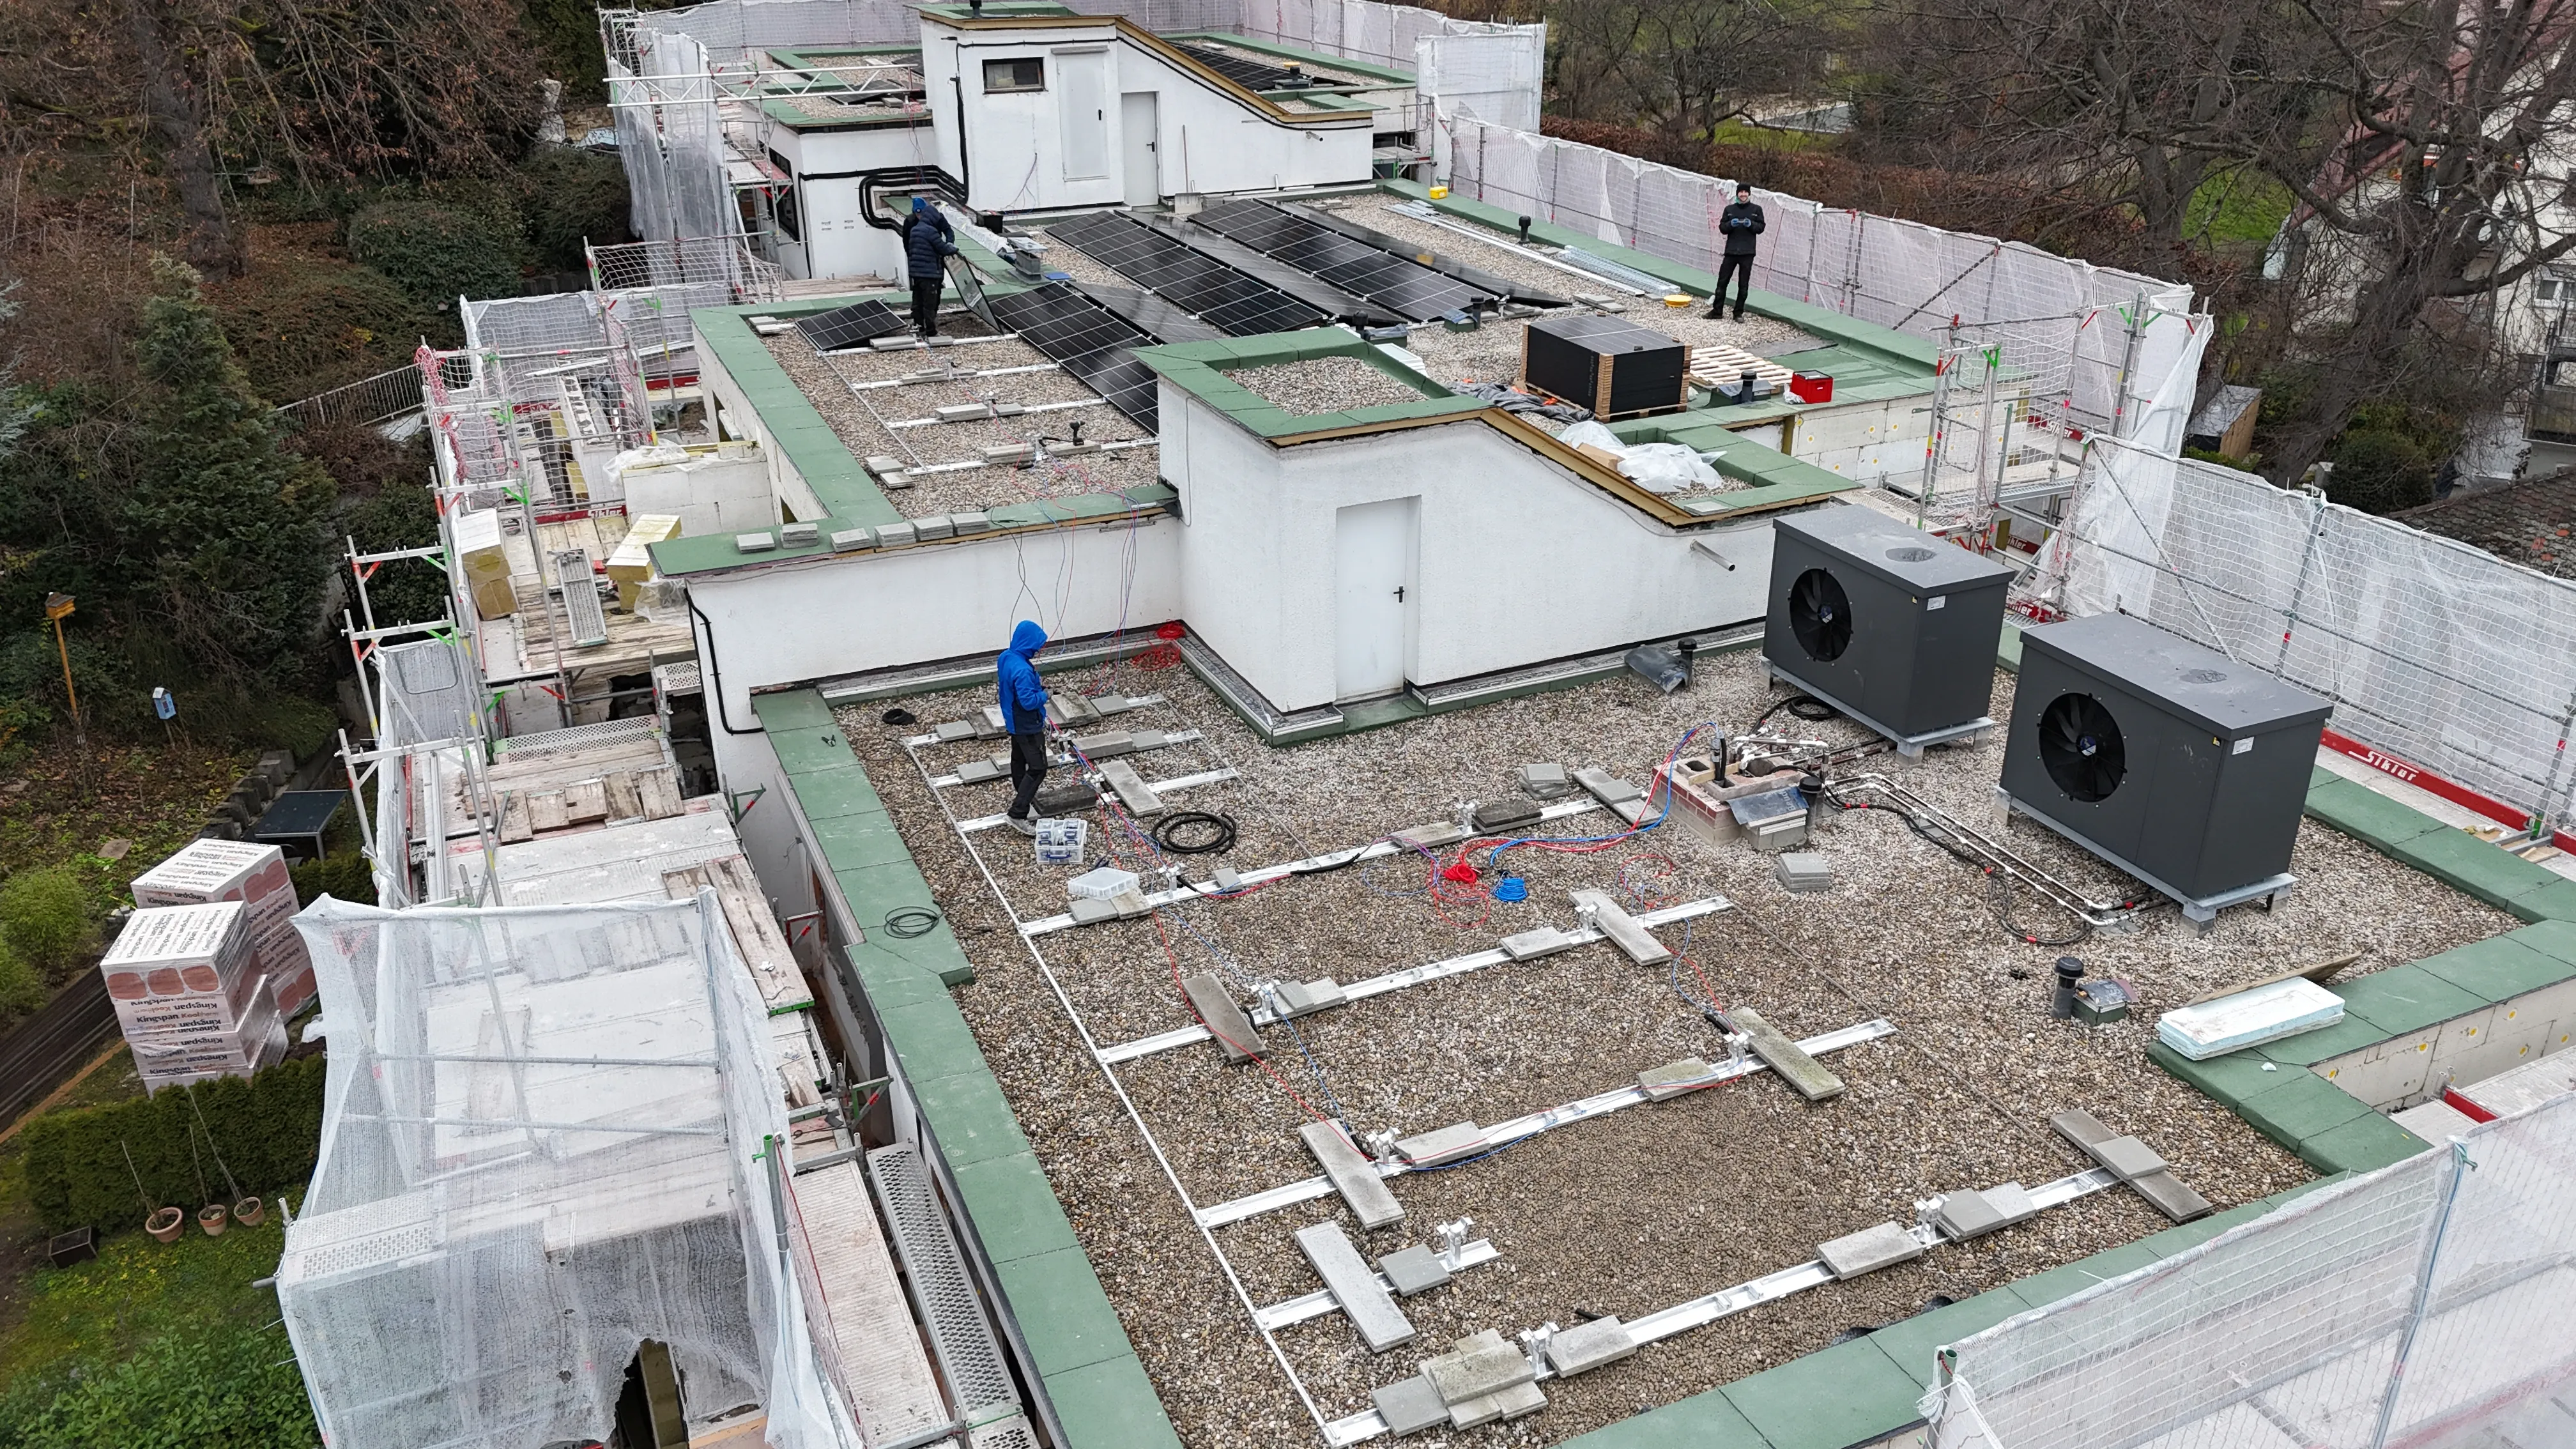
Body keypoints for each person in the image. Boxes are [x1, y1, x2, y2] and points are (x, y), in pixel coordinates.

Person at [997, 619, 1051, 834]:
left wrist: (1035, 688)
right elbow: (1028, 702)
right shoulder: (1023, 671)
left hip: (1013, 721)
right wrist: (1044, 695)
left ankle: (1024, 800)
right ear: (1029, 643)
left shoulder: (1007, 657)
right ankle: (1017, 813)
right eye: (1037, 646)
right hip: (1027, 725)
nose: (1038, 650)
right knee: (1038, 768)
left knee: (1019, 761)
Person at [901, 197, 957, 337]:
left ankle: (919, 326)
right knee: (929, 301)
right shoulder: (916, 224)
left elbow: (949, 232)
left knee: (919, 299)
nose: (919, 217)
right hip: (930, 270)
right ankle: (931, 331)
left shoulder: (919, 228)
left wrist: (949, 242)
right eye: (917, 214)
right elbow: (941, 249)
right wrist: (951, 249)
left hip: (919, 270)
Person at [1710, 183, 1765, 323]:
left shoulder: (1756, 210)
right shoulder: (1729, 209)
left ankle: (1738, 313)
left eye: (1745, 192)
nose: (1743, 195)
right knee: (1722, 282)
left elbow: (1761, 227)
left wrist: (1751, 224)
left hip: (1747, 253)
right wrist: (1730, 225)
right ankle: (1717, 311)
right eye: (1740, 192)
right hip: (1731, 252)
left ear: (1749, 194)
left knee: (1743, 284)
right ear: (1737, 194)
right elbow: (1723, 227)